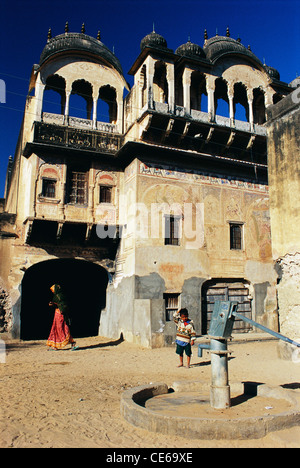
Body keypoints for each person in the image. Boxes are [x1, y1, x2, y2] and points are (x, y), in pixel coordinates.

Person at [47, 284, 78, 350]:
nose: (53, 291)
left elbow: (60, 304)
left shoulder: (58, 296)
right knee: (59, 328)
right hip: (59, 314)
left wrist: (52, 304)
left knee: (60, 328)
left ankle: (71, 343)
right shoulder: (62, 296)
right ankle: (54, 345)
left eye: (53, 290)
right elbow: (61, 304)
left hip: (60, 314)